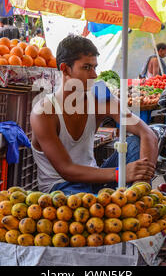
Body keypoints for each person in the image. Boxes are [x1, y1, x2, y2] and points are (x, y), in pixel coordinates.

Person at [30, 35, 158, 195]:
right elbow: (66, 170)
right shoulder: (43, 112)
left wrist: (141, 184)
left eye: (94, 67)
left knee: (135, 142)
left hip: (94, 181)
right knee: (97, 215)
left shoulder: (101, 98)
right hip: (62, 188)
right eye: (86, 68)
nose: (94, 75)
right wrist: (121, 173)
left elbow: (148, 134)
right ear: (65, 69)